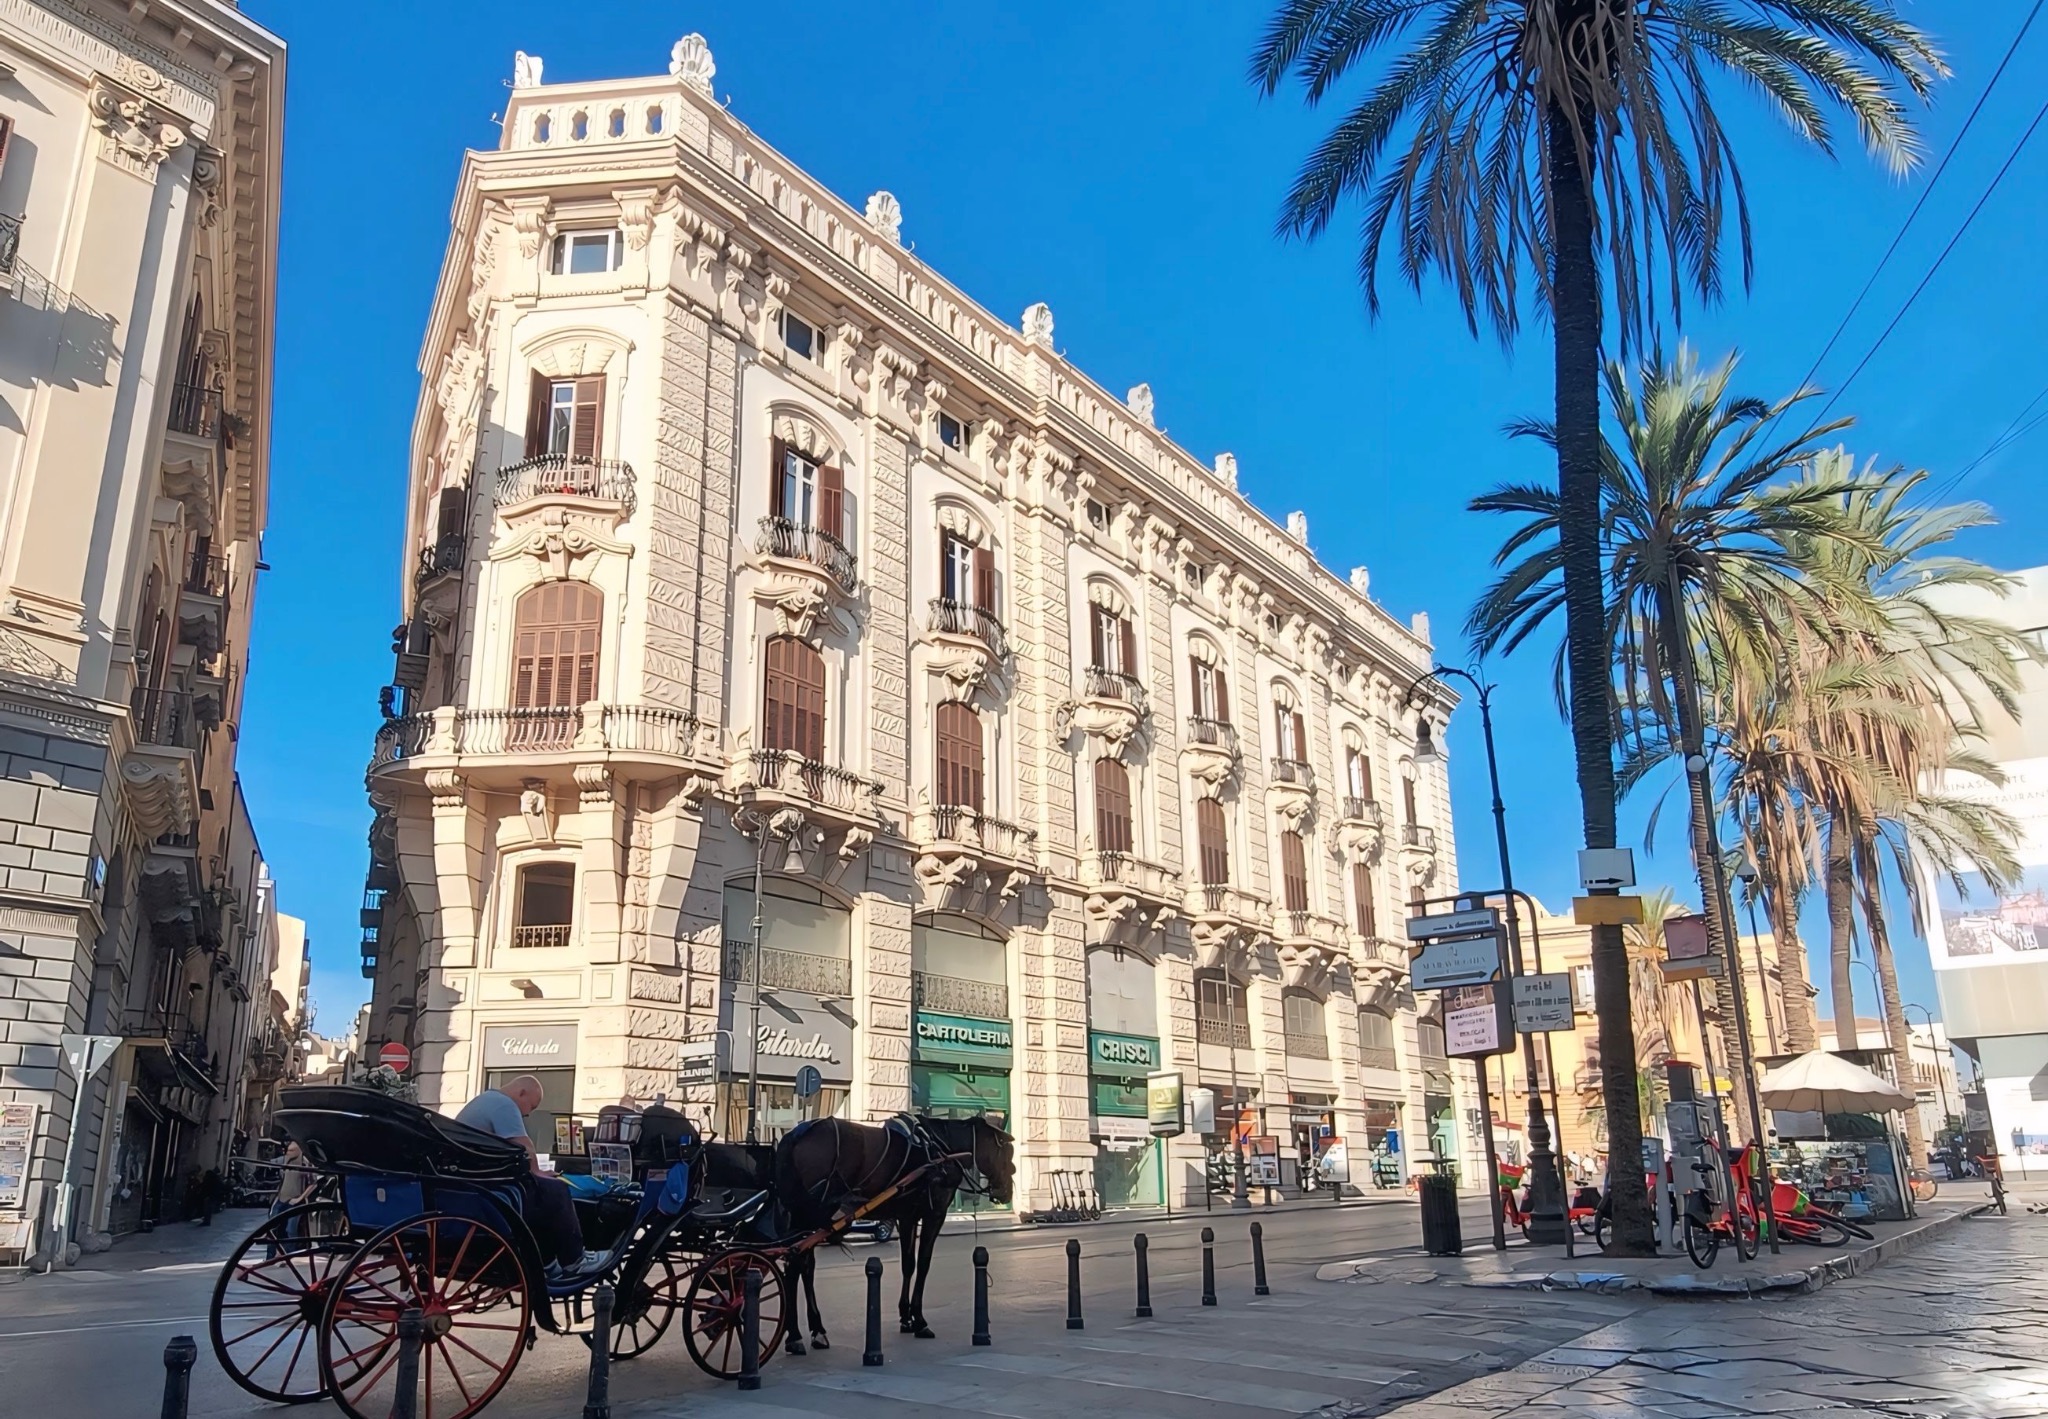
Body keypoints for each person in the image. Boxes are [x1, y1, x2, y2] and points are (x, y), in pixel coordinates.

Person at [457, 1075, 595, 1279]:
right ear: (521, 1092)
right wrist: (538, 1171)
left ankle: (546, 1260)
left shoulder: (484, 1101)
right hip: (486, 1186)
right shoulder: (504, 1104)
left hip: (471, 1179)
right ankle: (574, 1259)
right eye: (530, 1106)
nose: (527, 1114)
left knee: (539, 1192)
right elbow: (524, 1145)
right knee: (555, 1189)